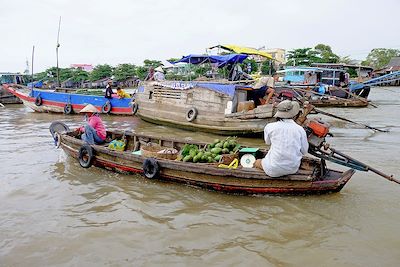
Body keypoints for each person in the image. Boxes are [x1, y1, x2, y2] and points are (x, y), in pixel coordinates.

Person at [254, 100, 309, 177]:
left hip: (272, 169)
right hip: (292, 169)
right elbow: (304, 151)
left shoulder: (269, 127)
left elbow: (268, 143)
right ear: (294, 115)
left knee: (256, 162)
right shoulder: (300, 129)